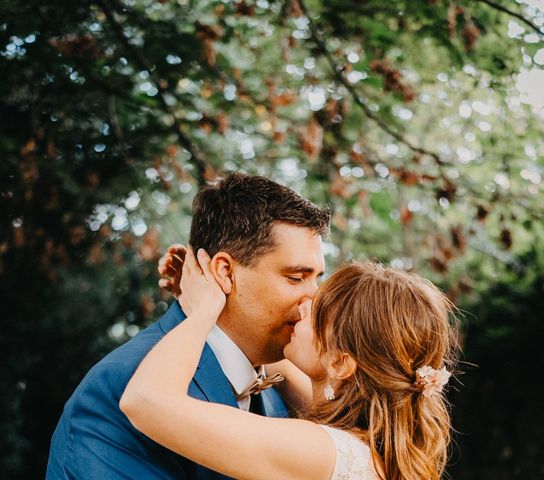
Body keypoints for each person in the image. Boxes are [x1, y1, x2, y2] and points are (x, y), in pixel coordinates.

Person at [46, 173, 330, 479]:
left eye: (318, 279)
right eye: (296, 277)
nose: (314, 298)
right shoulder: (122, 386)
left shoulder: (278, 386)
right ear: (224, 272)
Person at [121, 247, 459, 480]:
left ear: (341, 364)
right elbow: (268, 362)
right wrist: (221, 296)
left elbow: (145, 400)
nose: (304, 305)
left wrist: (204, 309)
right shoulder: (369, 440)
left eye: (319, 312)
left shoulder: (322, 451)